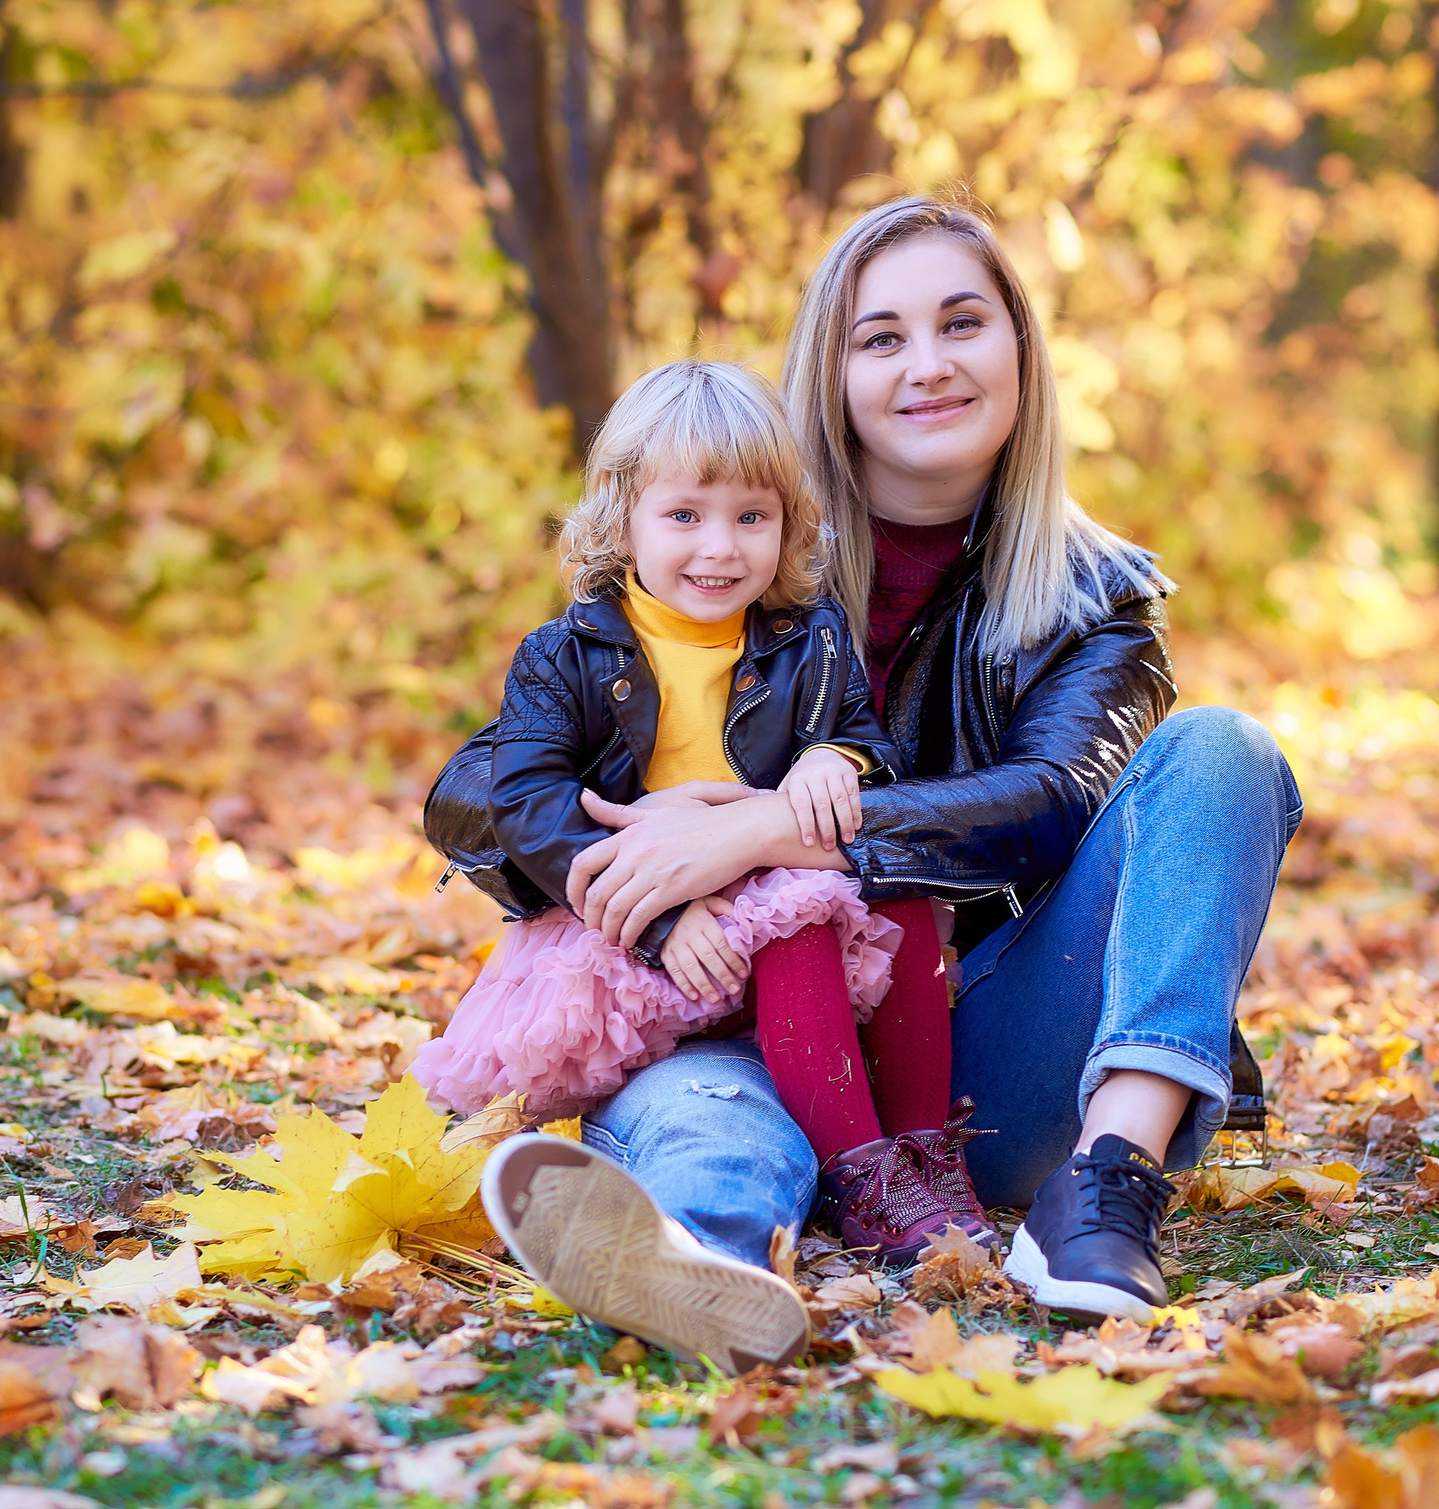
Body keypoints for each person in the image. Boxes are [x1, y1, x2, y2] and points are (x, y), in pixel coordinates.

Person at [431, 198, 1303, 1364]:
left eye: (961, 323)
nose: (927, 364)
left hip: (971, 1051)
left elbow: (1048, 805)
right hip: (725, 994)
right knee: (715, 1127)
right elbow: (478, 788)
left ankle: (1104, 1187)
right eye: (880, 336)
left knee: (1226, 751)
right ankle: (701, 1269)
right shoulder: (732, 540)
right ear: (829, 372)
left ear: (1020, 353)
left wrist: (759, 833)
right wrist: (639, 872)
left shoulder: (1097, 597)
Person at [415, 359, 999, 1369]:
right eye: (684, 515)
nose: (720, 547)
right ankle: (690, 1242)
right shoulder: (564, 654)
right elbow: (525, 802)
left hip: (769, 975)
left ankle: (903, 1167)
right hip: (628, 951)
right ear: (622, 518)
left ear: (788, 525)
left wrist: (837, 752)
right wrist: (658, 916)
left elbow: (868, 749)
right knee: (721, 1102)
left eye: (750, 517)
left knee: (882, 905)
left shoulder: (807, 641)